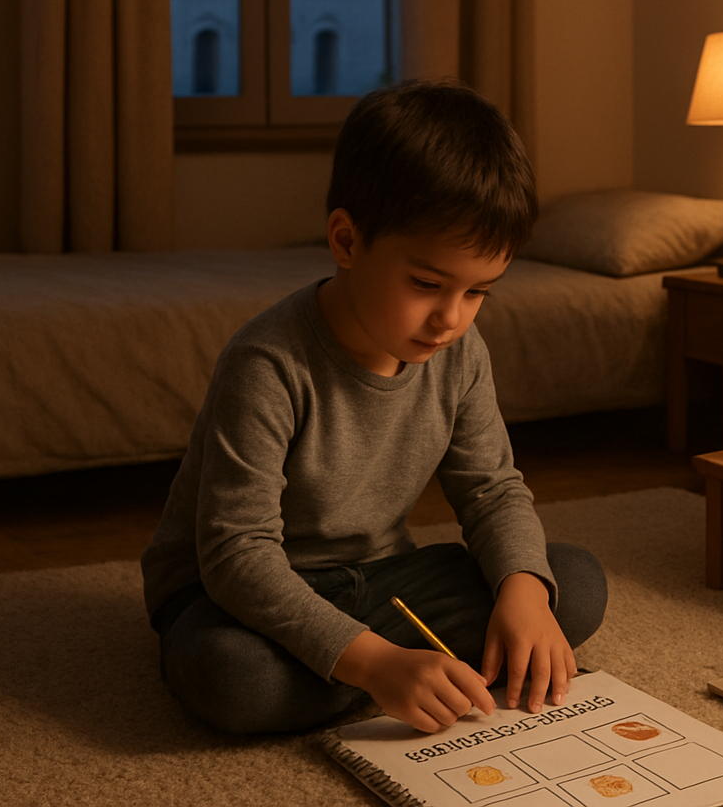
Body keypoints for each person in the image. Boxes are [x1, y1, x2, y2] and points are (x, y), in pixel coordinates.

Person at [141, 79, 607, 735]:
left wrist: (524, 593)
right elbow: (237, 555)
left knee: (571, 584)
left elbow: (493, 491)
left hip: (379, 576)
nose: (450, 318)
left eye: (478, 292)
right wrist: (376, 661)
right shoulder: (266, 362)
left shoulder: (460, 352)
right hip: (235, 592)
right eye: (426, 283)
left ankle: (376, 673)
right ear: (347, 241)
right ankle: (385, 672)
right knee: (234, 678)